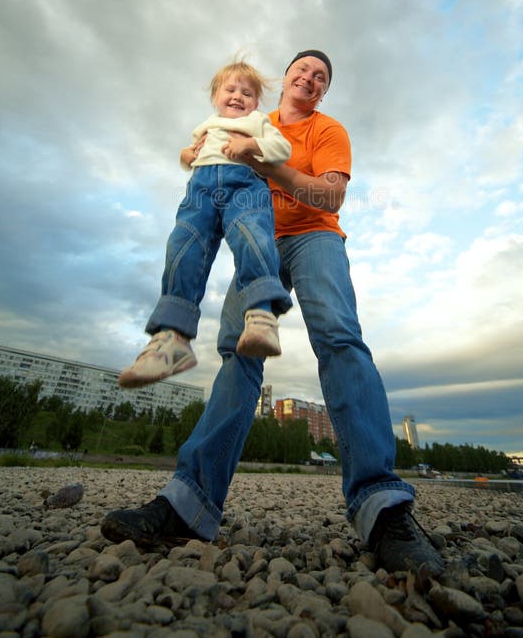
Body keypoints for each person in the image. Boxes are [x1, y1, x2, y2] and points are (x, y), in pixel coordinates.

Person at [103, 51, 444, 576]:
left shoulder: (327, 130)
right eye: (302, 70)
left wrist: (267, 165)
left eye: (320, 77)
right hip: (260, 239)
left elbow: (331, 196)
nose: (309, 78)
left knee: (338, 336)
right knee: (236, 349)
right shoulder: (242, 117)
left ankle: (382, 507)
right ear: (284, 79)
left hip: (313, 236)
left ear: (323, 92)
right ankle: (188, 502)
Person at [117, 61, 293, 389]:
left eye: (248, 93)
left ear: (256, 102)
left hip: (245, 186)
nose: (239, 96)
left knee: (251, 237)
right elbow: (191, 153)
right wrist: (185, 156)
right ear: (215, 96)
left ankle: (261, 316)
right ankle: (172, 338)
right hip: (200, 191)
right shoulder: (206, 125)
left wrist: (252, 145)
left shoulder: (258, 122)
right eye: (231, 90)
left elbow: (282, 149)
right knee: (183, 245)